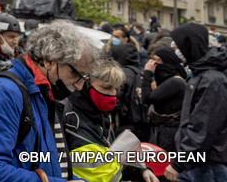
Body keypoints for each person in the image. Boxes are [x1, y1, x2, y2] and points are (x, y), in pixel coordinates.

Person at [0, 20, 99, 181]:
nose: (79, 86)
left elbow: (50, 166)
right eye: (75, 74)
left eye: (84, 79)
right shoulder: (5, 91)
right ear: (49, 61)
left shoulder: (42, 93)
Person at [63, 59, 158, 182]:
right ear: (86, 84)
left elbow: (111, 161)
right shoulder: (66, 114)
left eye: (116, 89)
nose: (112, 94)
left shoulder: (104, 117)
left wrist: (142, 171)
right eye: (106, 87)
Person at [164, 23, 227, 181]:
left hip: (208, 163)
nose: (176, 49)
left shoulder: (211, 79)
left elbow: (203, 127)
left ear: (189, 45)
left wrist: (179, 163)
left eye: (179, 45)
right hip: (199, 161)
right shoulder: (200, 74)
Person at [140, 46, 186, 153]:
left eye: (159, 60)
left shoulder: (175, 82)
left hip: (170, 131)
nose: (155, 64)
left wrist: (148, 73)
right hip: (165, 129)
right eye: (153, 60)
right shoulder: (170, 81)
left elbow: (146, 98)